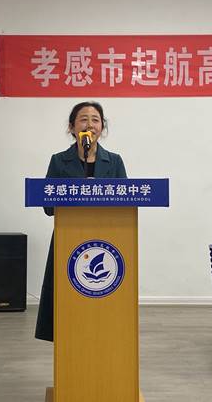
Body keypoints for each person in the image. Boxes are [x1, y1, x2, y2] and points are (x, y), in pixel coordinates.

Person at [35, 101, 127, 342]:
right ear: (72, 127)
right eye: (83, 119)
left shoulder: (115, 162)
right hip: (68, 240)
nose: (90, 124)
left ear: (102, 127)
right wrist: (77, 192)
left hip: (107, 243)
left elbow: (126, 204)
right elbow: (48, 207)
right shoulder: (58, 161)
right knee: (65, 297)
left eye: (95, 120)